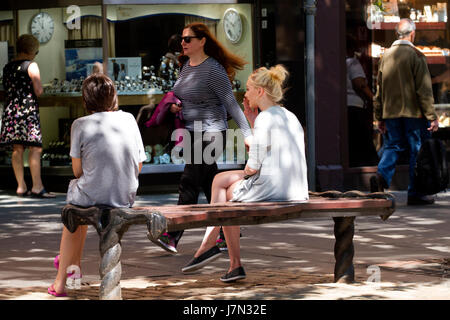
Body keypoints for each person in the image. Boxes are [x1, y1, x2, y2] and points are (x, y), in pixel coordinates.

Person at [181, 65, 309, 282]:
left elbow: (253, 166)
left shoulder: (265, 119)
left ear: (260, 92)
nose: (245, 94)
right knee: (221, 181)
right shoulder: (289, 116)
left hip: (274, 188)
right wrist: (251, 122)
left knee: (226, 197)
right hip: (296, 187)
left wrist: (245, 176)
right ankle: (215, 249)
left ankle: (222, 255)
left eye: (249, 89)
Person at [154, 23, 252, 254]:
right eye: (182, 39)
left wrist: (247, 134)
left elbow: (231, 103)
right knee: (211, 185)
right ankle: (229, 231)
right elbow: (185, 95)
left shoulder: (214, 70)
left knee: (189, 181)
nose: (183, 43)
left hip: (212, 132)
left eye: (188, 39)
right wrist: (178, 107)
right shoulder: (186, 66)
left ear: (202, 41)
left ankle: (172, 234)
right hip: (192, 131)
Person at [48, 73, 146, 297]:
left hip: (92, 193)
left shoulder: (79, 124)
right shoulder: (129, 119)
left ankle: (62, 279)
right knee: (79, 210)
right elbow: (139, 164)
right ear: (114, 97)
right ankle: (74, 268)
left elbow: (77, 171)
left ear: (86, 100)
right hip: (124, 194)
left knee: (73, 211)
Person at [370, 19, 439, 205]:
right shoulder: (416, 55)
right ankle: (415, 192)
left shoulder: (386, 56)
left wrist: (379, 117)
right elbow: (424, 90)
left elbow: (379, 90)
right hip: (413, 113)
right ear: (413, 34)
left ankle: (381, 176)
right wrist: (431, 116)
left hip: (391, 112)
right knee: (415, 150)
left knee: (393, 145)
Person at [0, 34, 55, 198]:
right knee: (35, 148)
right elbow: (38, 90)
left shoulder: (7, 67)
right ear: (31, 51)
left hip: (11, 111)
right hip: (27, 112)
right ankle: (37, 186)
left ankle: (21, 186)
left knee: (17, 149)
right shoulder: (31, 66)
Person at [346, 35, 378, 167]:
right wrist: (374, 100)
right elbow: (360, 84)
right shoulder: (352, 62)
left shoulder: (338, 61)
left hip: (346, 106)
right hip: (355, 106)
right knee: (363, 141)